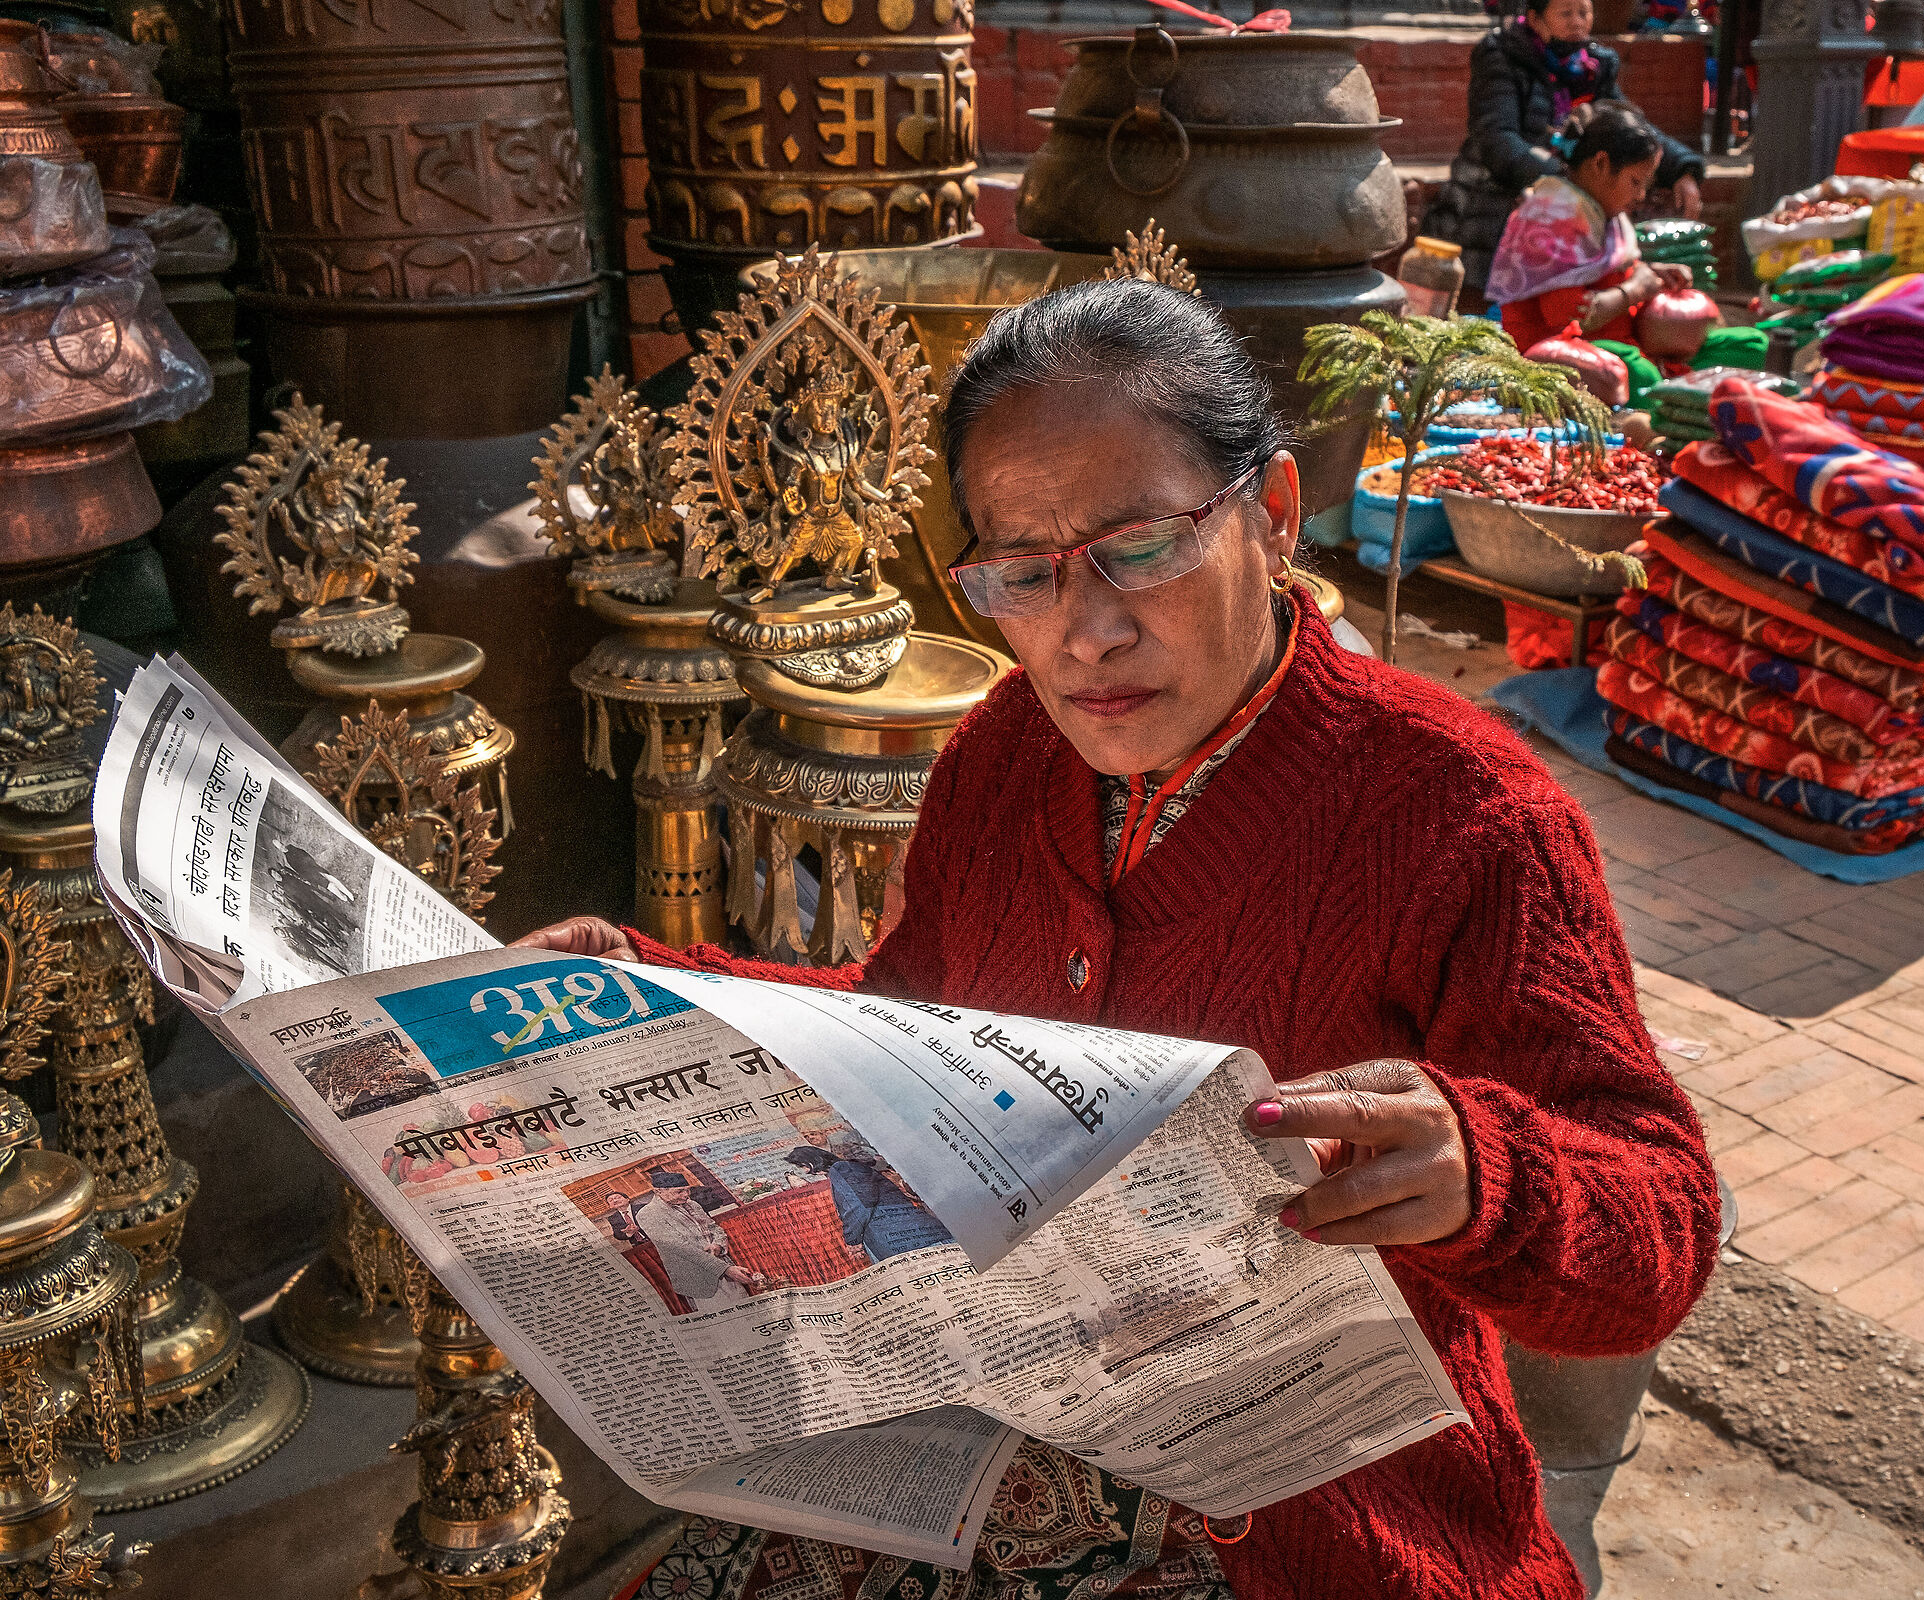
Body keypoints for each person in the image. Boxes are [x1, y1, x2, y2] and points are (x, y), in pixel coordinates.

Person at [516, 278, 1719, 1599]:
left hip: (1314, 1523)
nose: (1084, 631)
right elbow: (900, 1025)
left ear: (1268, 515)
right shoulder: (1003, 758)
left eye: (1139, 546)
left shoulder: (1468, 820)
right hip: (999, 1438)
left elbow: (1658, 1231)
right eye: (1022, 576)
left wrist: (1487, 1173)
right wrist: (654, 997)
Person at [1423, 0, 1707, 294]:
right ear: (1535, 19)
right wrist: (1561, 181)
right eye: (1566, 13)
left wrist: (1683, 169)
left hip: (1564, 192)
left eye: (1584, 12)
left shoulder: (1593, 67)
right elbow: (1497, 139)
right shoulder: (1502, 56)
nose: (1577, 22)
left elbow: (1629, 131)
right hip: (1493, 196)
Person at [1490, 101, 1694, 361]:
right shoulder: (1552, 221)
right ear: (1600, 164)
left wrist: (1651, 271)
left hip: (1612, 349)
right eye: (1634, 182)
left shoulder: (1601, 212)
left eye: (1645, 185)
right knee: (1641, 372)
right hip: (1559, 361)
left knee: (1743, 345)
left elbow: (1604, 272)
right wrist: (1635, 289)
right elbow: (1571, 318)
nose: (1641, 195)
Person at [784, 1143, 955, 1263]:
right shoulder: (853, 1169)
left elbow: (858, 1205)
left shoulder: (842, 1168)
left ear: (811, 1160)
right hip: (919, 1236)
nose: (806, 1172)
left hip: (906, 1242)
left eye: (802, 1166)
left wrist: (852, 1241)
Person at [634, 1171, 767, 1312]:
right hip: (698, 1278)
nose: (686, 1195)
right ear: (659, 1191)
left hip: (723, 1267)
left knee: (747, 1310)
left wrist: (718, 1246)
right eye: (680, 1191)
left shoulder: (693, 1204)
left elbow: (714, 1228)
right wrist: (725, 1269)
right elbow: (681, 1248)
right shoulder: (648, 1214)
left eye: (688, 1190)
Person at [602, 1187, 693, 1314]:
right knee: (660, 1277)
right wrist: (629, 1234)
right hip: (640, 1249)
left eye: (617, 1197)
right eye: (611, 1200)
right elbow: (617, 1235)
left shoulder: (643, 1207)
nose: (614, 1200)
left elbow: (660, 1222)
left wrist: (642, 1226)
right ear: (610, 1205)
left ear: (627, 1199)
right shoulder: (613, 1218)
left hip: (657, 1243)